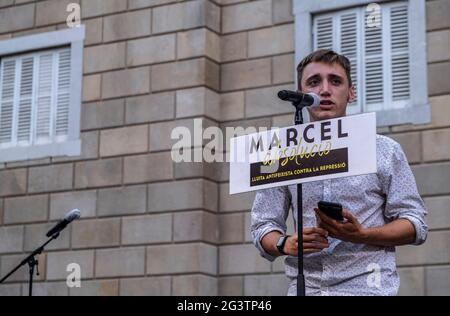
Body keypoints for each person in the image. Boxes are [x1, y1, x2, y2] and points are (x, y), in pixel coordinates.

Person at [250, 49, 427, 296]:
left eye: (335, 81)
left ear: (351, 92)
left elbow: (415, 224)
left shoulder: (384, 150)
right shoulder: (283, 153)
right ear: (302, 94)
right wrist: (284, 243)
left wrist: (362, 234)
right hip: (306, 289)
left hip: (367, 287)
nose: (324, 90)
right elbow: (263, 225)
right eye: (314, 82)